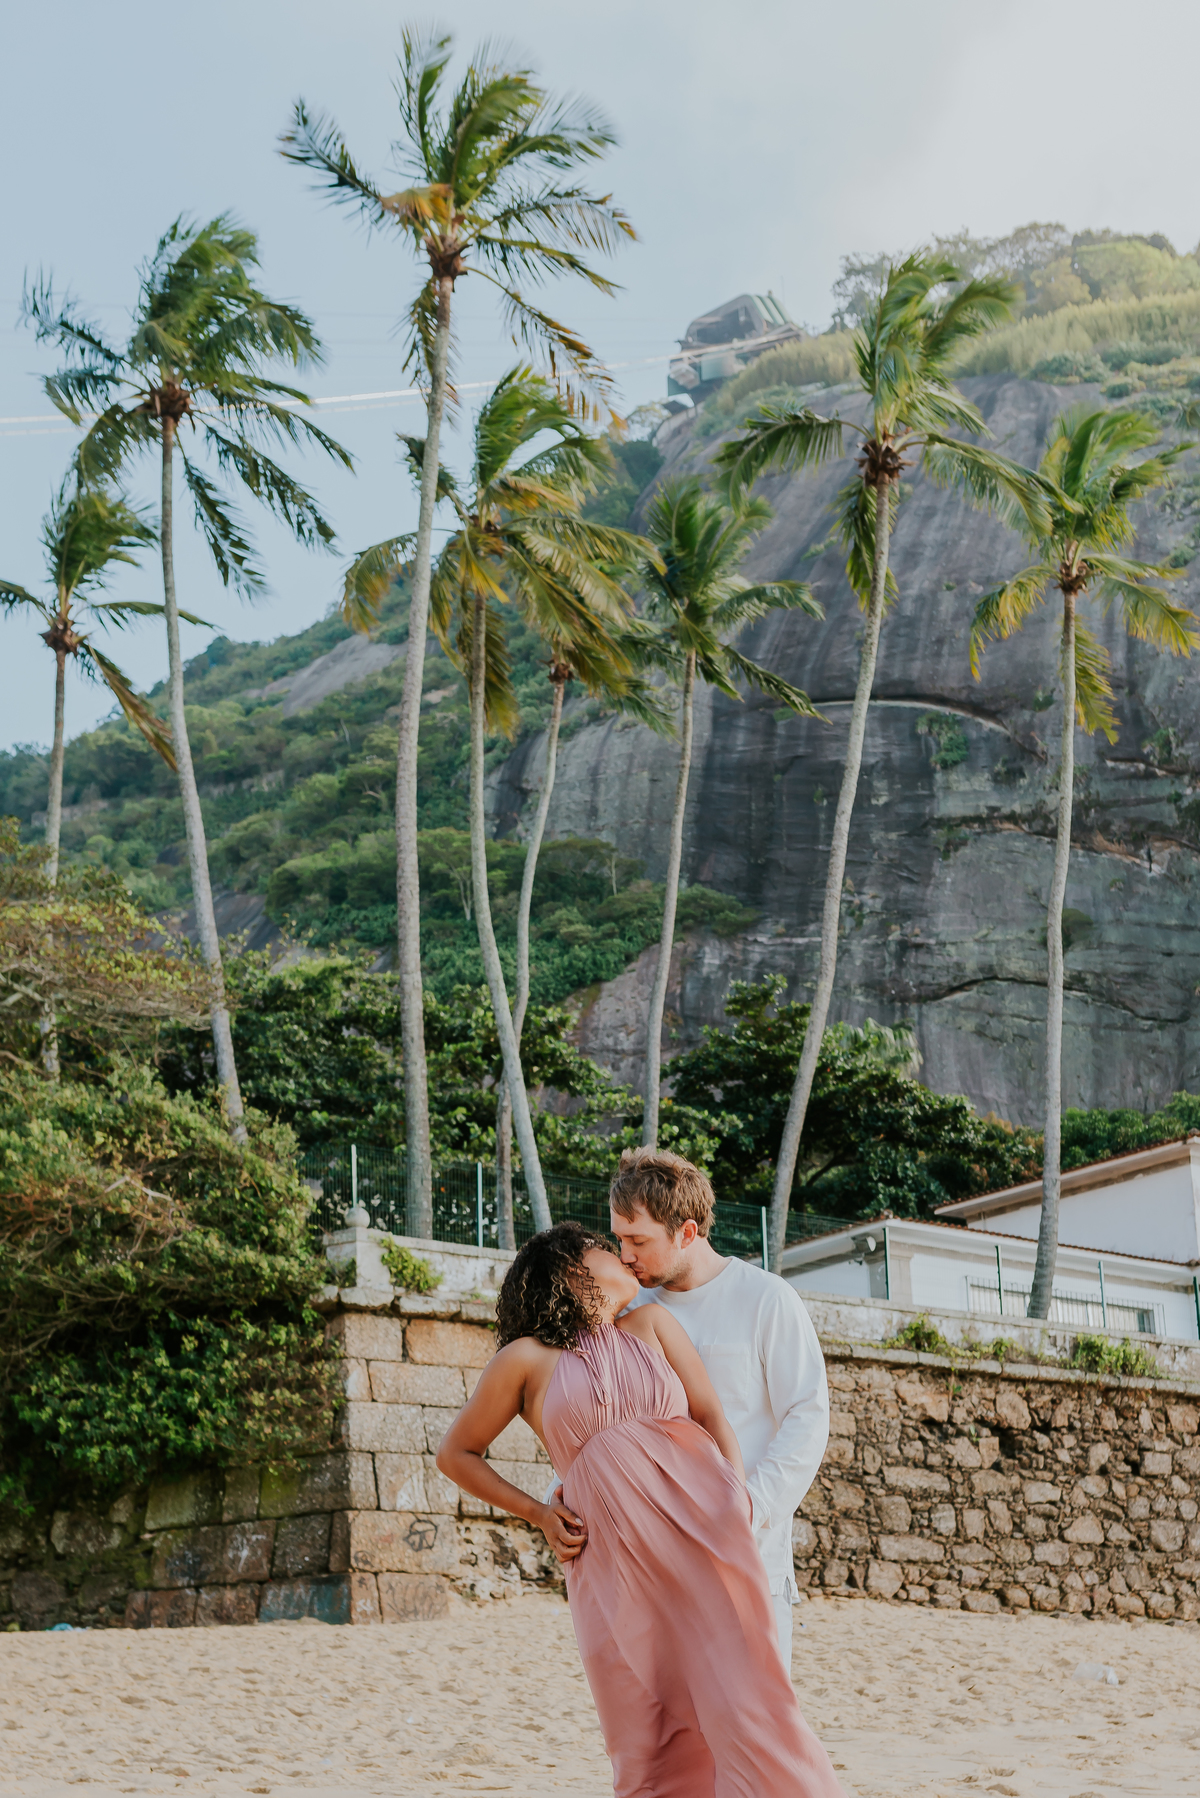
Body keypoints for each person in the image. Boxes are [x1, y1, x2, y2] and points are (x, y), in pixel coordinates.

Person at [436, 1221, 845, 1798]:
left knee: (748, 1701)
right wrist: (538, 1513)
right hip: (612, 1561)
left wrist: (734, 1499)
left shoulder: (651, 1324)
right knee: (646, 1731)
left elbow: (709, 1415)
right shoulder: (524, 1360)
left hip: (704, 1536)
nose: (622, 1256)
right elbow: (456, 1454)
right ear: (571, 1268)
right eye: (606, 1248)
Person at [608, 1147, 830, 1666]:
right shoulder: (629, 1311)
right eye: (619, 1238)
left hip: (749, 1558)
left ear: (687, 1232)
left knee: (757, 1732)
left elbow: (808, 1413)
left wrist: (753, 1506)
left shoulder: (766, 1299)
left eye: (637, 1240)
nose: (624, 1256)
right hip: (653, 1565)